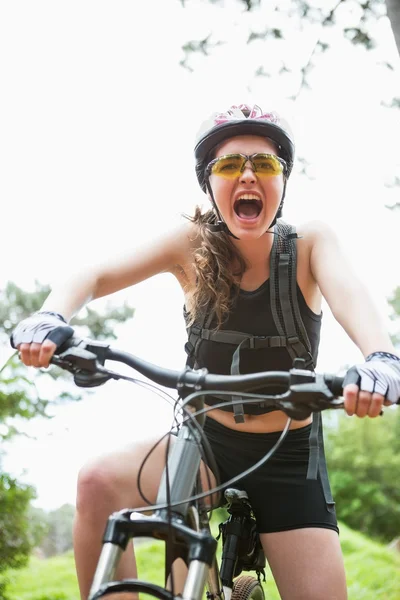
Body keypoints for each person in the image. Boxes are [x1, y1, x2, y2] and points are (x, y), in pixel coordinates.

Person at [11, 103, 400, 600]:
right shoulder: (191, 244)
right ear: (209, 184)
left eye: (264, 165)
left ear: (282, 181)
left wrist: (381, 359)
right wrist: (51, 316)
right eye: (228, 166)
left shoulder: (310, 244)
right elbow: (93, 272)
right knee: (97, 483)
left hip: (289, 458)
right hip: (203, 446)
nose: (247, 176)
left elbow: (353, 295)